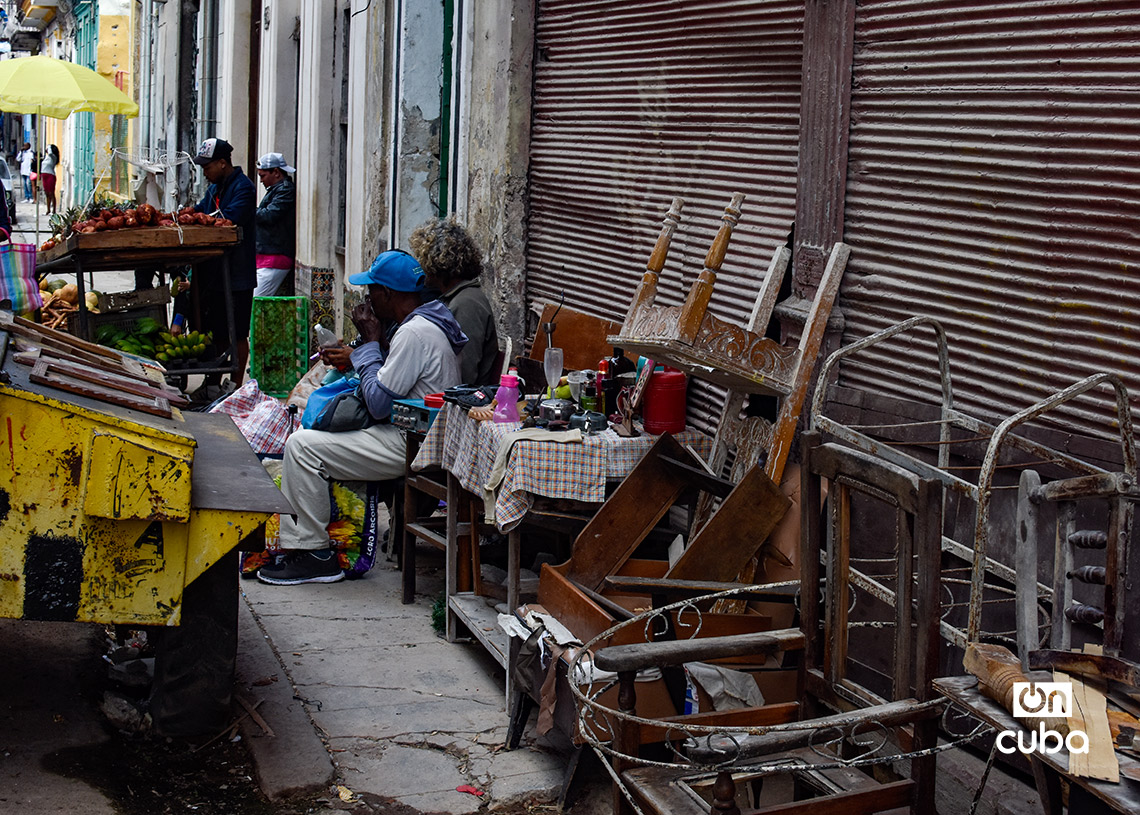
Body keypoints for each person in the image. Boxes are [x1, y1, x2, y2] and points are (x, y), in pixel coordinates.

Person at [257, 250, 467, 586]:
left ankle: (314, 552)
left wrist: (369, 345)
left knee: (302, 447)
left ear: (387, 294)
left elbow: (379, 403)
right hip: (417, 433)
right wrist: (372, 346)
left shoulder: (415, 332)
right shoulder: (424, 321)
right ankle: (317, 544)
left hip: (414, 443)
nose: (367, 298)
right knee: (311, 439)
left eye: (371, 291)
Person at [191, 137, 256, 392]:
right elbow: (200, 211)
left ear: (222, 163)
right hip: (216, 273)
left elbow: (228, 221)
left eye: (207, 167)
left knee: (238, 332)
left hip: (238, 273)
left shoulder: (244, 188)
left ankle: (236, 386)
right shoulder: (214, 189)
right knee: (218, 332)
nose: (205, 173)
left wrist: (202, 218)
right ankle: (214, 381)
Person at [408, 216, 500, 386]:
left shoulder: (465, 304)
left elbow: (463, 374)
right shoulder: (455, 298)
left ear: (436, 264)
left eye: (421, 260)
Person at [253, 152, 297, 296]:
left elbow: (269, 215)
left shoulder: (285, 190)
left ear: (276, 172)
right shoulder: (275, 190)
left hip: (276, 257)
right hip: (267, 256)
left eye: (262, 176)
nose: (260, 181)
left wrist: (246, 209)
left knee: (254, 301)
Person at [40, 144, 59, 215]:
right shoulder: (47, 157)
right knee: (47, 193)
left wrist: (49, 146)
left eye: (48, 149)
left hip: (50, 176)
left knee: (51, 193)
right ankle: (48, 210)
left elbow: (50, 153)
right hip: (44, 176)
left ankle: (54, 210)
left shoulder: (53, 157)